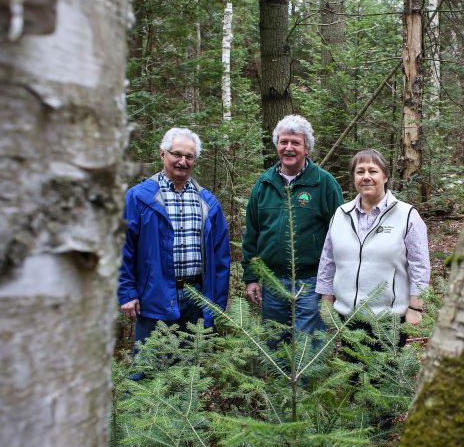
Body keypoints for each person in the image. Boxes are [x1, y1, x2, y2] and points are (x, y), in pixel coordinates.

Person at [118, 127, 230, 375]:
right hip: (153, 297)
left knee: (188, 375)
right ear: (162, 154)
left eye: (189, 157)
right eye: (176, 154)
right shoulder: (139, 198)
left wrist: (217, 303)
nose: (182, 161)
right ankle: (140, 415)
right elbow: (123, 248)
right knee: (146, 371)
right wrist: (126, 292)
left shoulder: (208, 202)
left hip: (196, 298)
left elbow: (221, 258)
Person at [241, 114, 344, 339]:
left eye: (295, 143)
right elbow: (252, 235)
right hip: (272, 283)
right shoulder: (263, 184)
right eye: (283, 142)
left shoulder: (324, 183)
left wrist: (333, 284)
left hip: (312, 283)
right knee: (276, 345)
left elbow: (340, 236)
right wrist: (251, 278)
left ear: (307, 148)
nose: (288, 148)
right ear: (277, 146)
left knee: (308, 346)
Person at [316, 148, 430, 347]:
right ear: (354, 177)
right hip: (348, 317)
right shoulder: (341, 214)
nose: (366, 177)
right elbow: (328, 261)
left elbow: (420, 266)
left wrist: (416, 307)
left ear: (385, 176)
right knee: (353, 376)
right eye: (360, 172)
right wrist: (326, 300)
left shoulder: (407, 215)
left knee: (385, 377)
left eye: (373, 171)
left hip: (390, 320)